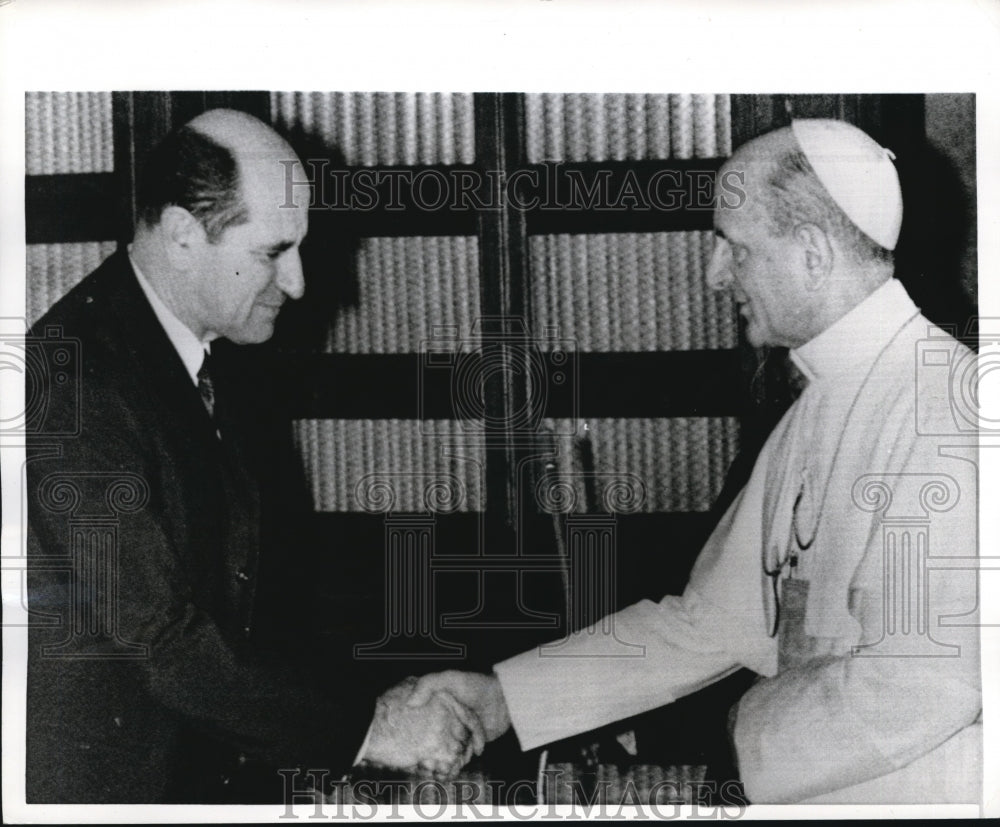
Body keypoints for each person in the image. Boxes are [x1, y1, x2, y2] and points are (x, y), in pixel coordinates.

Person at [404, 119, 983, 804]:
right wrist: (505, 698)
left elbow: (928, 677)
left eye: (734, 248)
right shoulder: (819, 407)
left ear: (813, 253)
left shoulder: (949, 408)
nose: (714, 274)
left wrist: (727, 742)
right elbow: (710, 622)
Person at [25, 109, 481, 803]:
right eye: (274, 252)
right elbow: (164, 640)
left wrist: (372, 706)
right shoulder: (74, 380)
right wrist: (371, 727)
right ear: (182, 236)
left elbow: (258, 600)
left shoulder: (209, 353)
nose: (298, 283)